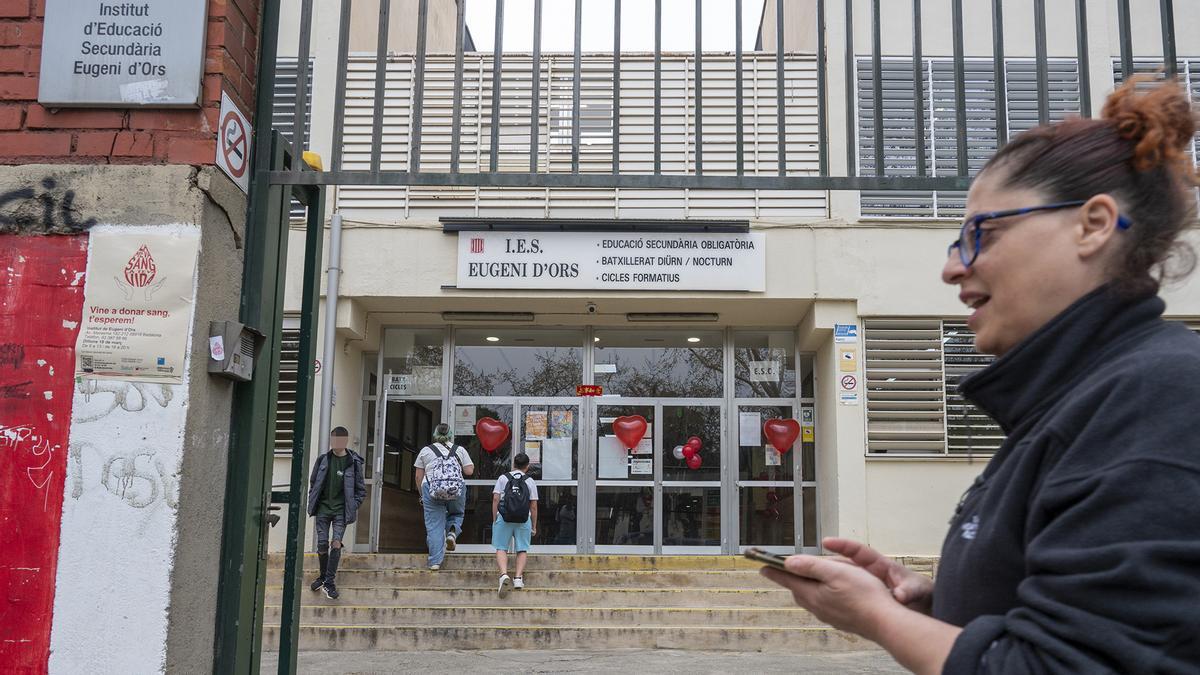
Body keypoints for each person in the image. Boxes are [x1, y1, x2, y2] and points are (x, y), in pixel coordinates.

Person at [761, 78, 1200, 674]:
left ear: (1094, 225)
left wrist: (879, 618)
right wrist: (933, 603)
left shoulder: (1158, 399)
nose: (950, 267)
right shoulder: (1070, 402)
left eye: (980, 236)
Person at [307, 426, 366, 600]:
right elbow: (313, 483)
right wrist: (313, 498)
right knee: (322, 544)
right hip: (323, 509)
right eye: (333, 440)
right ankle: (323, 576)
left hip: (341, 511)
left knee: (336, 543)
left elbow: (361, 490)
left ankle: (329, 582)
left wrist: (353, 505)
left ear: (345, 441)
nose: (336, 444)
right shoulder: (323, 460)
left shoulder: (353, 463)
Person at [414, 423, 474, 571]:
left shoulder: (426, 451)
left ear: (435, 434)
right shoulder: (459, 450)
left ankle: (435, 562)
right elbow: (469, 471)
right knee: (456, 513)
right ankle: (452, 533)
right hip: (456, 489)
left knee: (434, 525)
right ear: (451, 434)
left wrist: (422, 495)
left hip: (431, 489)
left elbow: (418, 476)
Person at [492, 452, 538, 598]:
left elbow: (495, 499)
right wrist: (534, 525)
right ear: (527, 466)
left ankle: (504, 575)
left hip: (504, 517)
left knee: (501, 547)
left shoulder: (503, 478)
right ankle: (518, 578)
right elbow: (534, 505)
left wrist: (495, 518)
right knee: (522, 549)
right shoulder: (530, 481)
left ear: (513, 464)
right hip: (524, 519)